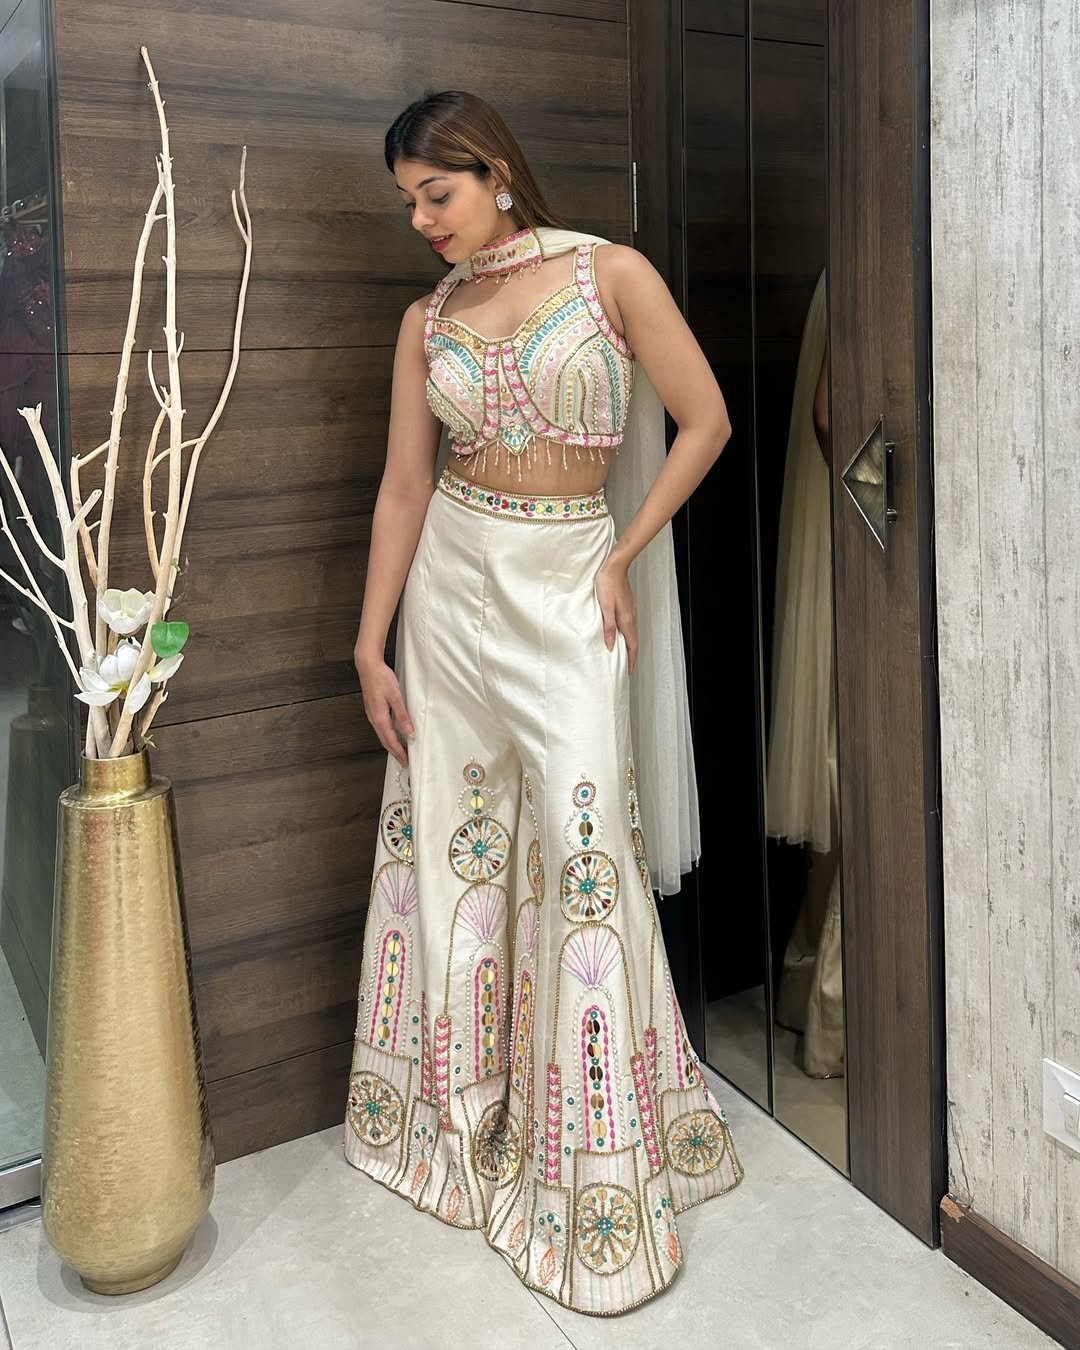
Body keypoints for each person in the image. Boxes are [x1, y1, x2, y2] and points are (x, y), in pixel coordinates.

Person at [343, 90, 743, 1316]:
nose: (423, 220)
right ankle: (461, 1118)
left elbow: (707, 420)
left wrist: (621, 553)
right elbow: (405, 488)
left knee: (584, 857)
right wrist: (369, 643)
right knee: (455, 850)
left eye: (438, 193)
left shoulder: (609, 273)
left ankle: (594, 1171)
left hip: (568, 578)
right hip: (449, 591)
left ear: (496, 172)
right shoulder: (426, 321)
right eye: (409, 203)